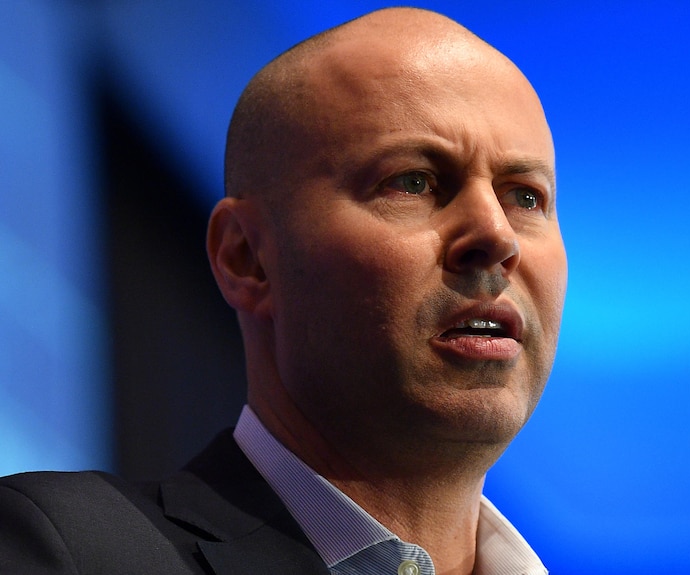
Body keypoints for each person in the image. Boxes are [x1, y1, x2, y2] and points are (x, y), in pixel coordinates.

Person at [0, 6, 567, 574]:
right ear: (246, 257)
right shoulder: (70, 551)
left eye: (524, 196)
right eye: (413, 182)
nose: (496, 236)